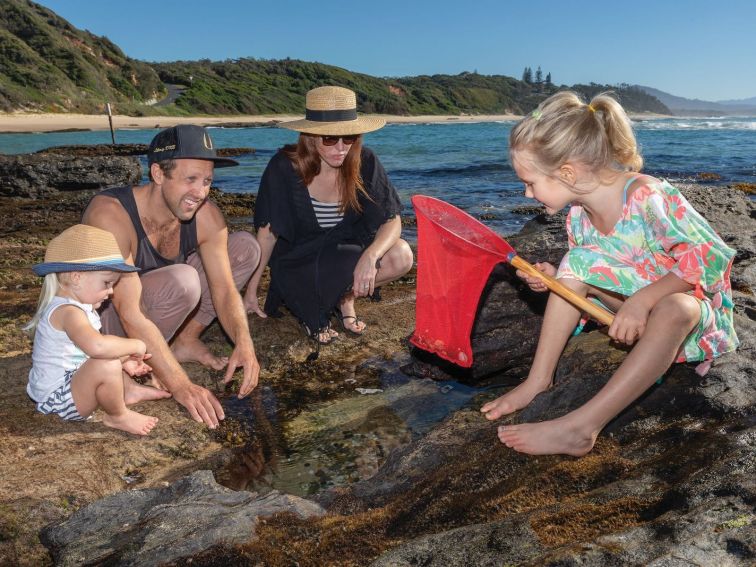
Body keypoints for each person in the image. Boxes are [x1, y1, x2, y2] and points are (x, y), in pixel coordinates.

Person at [480, 91, 738, 456]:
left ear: (566, 172)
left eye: (531, 183)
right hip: (629, 314)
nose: (526, 193)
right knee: (576, 261)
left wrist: (642, 301)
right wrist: (557, 280)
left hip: (685, 318)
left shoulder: (646, 196)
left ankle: (582, 428)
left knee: (678, 307)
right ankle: (538, 380)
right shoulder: (579, 216)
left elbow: (708, 259)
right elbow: (603, 270)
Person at [82, 125, 262, 429]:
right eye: (190, 179)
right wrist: (180, 385)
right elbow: (130, 311)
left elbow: (224, 289)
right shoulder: (111, 215)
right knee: (184, 281)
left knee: (245, 247)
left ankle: (183, 341)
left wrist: (245, 343)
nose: (201, 192)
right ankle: (131, 366)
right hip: (110, 325)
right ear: (157, 174)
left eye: (207, 181)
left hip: (159, 308)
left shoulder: (205, 214)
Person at [247, 86, 413, 345]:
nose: (341, 148)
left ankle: (344, 298)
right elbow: (268, 234)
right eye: (329, 139)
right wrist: (251, 289)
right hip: (298, 261)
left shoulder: (364, 161)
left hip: (345, 254)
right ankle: (312, 311)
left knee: (401, 254)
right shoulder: (284, 166)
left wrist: (370, 256)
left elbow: (392, 220)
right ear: (310, 136)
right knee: (342, 260)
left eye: (349, 138)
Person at [26, 224, 171, 435]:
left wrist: (125, 359)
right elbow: (97, 347)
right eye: (106, 283)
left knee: (110, 357)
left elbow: (83, 355)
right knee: (106, 359)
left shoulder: (79, 307)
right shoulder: (68, 311)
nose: (111, 292)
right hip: (57, 400)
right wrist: (136, 345)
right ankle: (117, 416)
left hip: (71, 385)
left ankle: (128, 391)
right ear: (76, 277)